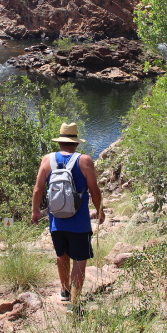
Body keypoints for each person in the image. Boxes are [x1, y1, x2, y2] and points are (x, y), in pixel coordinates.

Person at [31, 122, 105, 314]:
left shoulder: (47, 160)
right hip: (79, 222)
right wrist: (100, 210)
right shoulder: (85, 161)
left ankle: (64, 291)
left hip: (56, 221)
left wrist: (35, 211)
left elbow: (39, 189)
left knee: (61, 256)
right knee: (79, 260)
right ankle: (74, 302)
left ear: (60, 142)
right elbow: (94, 191)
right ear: (76, 143)